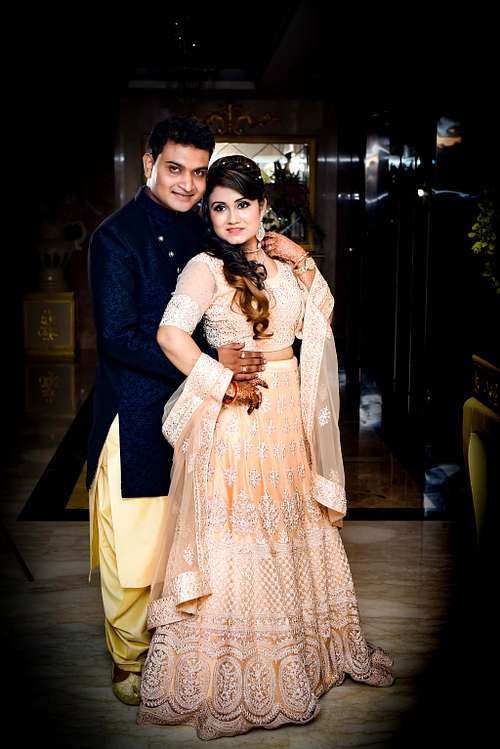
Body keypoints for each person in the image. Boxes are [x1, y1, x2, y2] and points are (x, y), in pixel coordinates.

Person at [137, 155, 394, 739]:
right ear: (207, 214)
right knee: (240, 532)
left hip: (287, 416)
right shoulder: (205, 267)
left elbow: (320, 318)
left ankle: (301, 655)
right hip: (237, 420)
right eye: (219, 207)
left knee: (286, 525)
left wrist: (302, 260)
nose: (232, 217)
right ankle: (235, 670)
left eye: (242, 205)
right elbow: (169, 334)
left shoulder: (281, 262)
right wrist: (219, 375)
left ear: (263, 207)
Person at [87, 119, 265, 705]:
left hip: (202, 412)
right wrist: (209, 364)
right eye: (174, 168)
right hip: (137, 411)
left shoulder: (208, 228)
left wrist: (286, 249)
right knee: (137, 543)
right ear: (149, 164)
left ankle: (181, 649)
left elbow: (250, 256)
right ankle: (130, 661)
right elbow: (118, 337)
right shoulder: (116, 237)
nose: (187, 183)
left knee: (192, 536)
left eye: (197, 171)